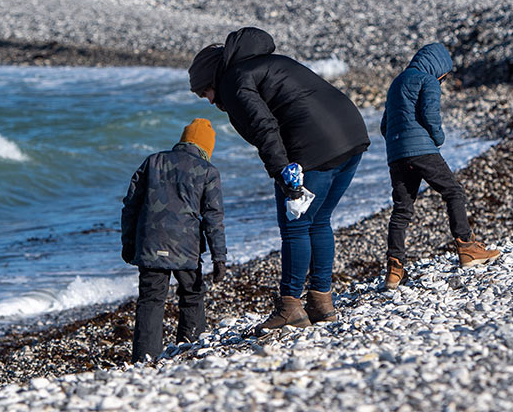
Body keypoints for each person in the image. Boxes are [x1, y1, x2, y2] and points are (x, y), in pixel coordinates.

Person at [188, 27, 369, 331]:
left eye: (204, 92)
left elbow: (264, 129)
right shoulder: (269, 63)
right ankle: (322, 304)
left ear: (212, 79)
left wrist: (282, 173)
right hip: (351, 135)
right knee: (320, 220)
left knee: (295, 228)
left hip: (316, 148)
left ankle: (290, 307)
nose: (207, 100)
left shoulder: (234, 82)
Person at [380, 43, 500, 290]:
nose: (443, 81)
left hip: (396, 154)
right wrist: (437, 138)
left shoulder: (397, 83)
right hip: (422, 150)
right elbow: (430, 115)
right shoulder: (428, 80)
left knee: (402, 209)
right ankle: (466, 247)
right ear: (439, 68)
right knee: (453, 191)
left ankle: (394, 270)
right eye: (444, 76)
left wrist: (400, 143)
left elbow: (385, 125)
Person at [121, 118, 226, 362]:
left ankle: (144, 359)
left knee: (150, 300)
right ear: (206, 147)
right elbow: (213, 218)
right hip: (186, 249)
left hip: (150, 244)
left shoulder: (153, 161)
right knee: (191, 296)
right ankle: (189, 351)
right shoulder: (207, 171)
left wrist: (128, 243)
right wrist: (219, 257)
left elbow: (130, 206)